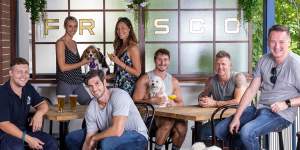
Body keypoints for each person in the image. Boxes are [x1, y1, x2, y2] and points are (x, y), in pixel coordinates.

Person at [215, 25, 300, 149]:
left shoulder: (296, 64)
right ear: (268, 41)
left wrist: (287, 103)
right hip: (259, 109)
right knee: (221, 130)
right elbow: (251, 90)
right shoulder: (263, 60)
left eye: (281, 42)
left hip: (280, 115)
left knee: (246, 132)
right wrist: (237, 117)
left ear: (289, 42)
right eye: (273, 42)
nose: (277, 46)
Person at [65, 70, 148, 150]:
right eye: (90, 86)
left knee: (107, 143)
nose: (94, 89)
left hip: (137, 137)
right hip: (109, 135)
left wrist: (94, 138)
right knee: (72, 138)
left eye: (97, 83)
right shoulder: (91, 107)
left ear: (104, 82)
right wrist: (91, 140)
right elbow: (88, 139)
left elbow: (117, 130)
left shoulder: (119, 95)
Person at [133, 48, 187, 150]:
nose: (162, 63)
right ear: (155, 60)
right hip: (149, 118)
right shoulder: (145, 78)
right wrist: (151, 101)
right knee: (168, 121)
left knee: (182, 125)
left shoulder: (173, 81)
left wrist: (173, 104)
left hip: (169, 115)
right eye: (159, 59)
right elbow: (135, 101)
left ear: (169, 61)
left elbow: (181, 103)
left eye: (165, 59)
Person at [0, 57, 58, 150]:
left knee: (51, 143)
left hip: (25, 130)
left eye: (26, 72)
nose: (23, 75)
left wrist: (39, 113)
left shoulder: (27, 87)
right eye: (19, 72)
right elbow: (4, 124)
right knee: (16, 147)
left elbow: (43, 104)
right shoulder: (2, 93)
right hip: (6, 134)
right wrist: (29, 139)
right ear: (10, 73)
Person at [196, 50, 247, 142]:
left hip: (239, 118)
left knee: (202, 131)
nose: (220, 67)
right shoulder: (211, 80)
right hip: (220, 118)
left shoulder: (238, 77)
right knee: (199, 130)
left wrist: (214, 103)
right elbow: (203, 96)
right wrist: (202, 99)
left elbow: (238, 101)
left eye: (223, 64)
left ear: (230, 65)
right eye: (218, 64)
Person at [56, 16, 91, 105]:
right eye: (70, 26)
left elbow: (75, 62)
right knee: (65, 115)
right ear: (65, 27)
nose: (73, 29)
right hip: (65, 83)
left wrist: (89, 56)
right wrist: (82, 63)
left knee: (89, 105)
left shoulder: (74, 43)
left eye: (75, 26)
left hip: (78, 82)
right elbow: (62, 67)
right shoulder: (61, 43)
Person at [108, 17, 141, 96]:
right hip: (117, 86)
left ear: (129, 29)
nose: (120, 31)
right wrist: (108, 76)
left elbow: (137, 73)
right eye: (118, 29)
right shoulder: (119, 47)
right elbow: (120, 72)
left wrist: (118, 62)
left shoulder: (133, 48)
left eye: (123, 28)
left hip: (128, 88)